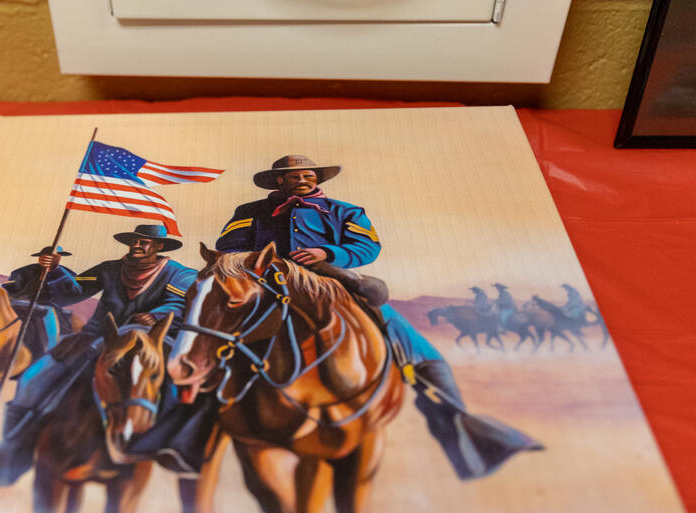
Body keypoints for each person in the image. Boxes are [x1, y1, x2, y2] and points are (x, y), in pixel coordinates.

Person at [213, 154, 541, 479]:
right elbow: (229, 245)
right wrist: (262, 263)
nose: (303, 179)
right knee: (208, 332)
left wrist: (327, 252)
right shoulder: (249, 212)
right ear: (279, 181)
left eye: (309, 175)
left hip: (329, 283)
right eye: (294, 175)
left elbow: (367, 246)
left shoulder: (346, 212)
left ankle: (454, 415)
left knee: (395, 327)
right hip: (266, 286)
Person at [0, 224, 197, 486]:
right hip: (95, 339)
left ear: (159, 246)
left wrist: (155, 315)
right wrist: (54, 270)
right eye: (135, 241)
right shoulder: (110, 268)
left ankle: (175, 446)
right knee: (32, 379)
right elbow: (71, 293)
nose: (137, 245)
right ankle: (14, 452)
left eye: (144, 242)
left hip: (148, 343)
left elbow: (180, 303)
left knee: (176, 386)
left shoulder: (179, 274)